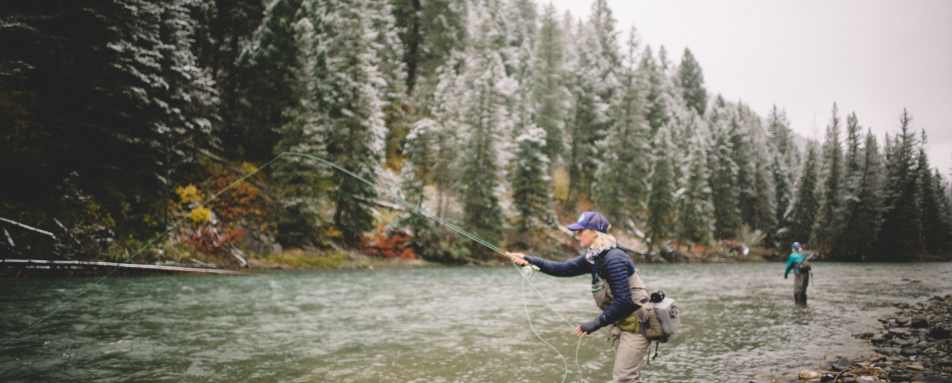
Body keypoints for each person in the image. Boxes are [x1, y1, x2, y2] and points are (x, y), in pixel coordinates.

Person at [507, 211, 651, 383]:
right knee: (625, 377)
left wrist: (593, 324)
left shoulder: (614, 259)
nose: (577, 235)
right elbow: (562, 268)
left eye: (581, 231)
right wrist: (529, 260)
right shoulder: (594, 257)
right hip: (625, 324)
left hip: (638, 326)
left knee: (624, 378)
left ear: (595, 232)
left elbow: (623, 301)